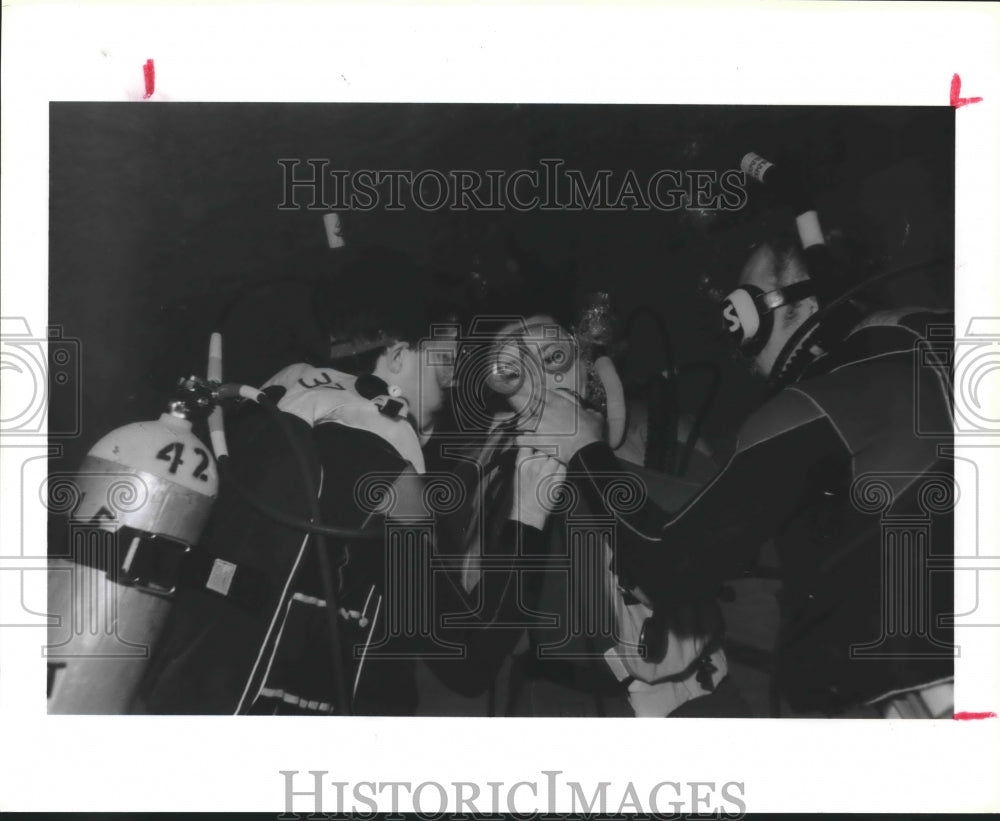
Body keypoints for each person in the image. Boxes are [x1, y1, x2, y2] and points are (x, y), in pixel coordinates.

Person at [513, 236, 955, 718]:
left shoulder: (813, 404)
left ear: (803, 303)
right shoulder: (931, 350)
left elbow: (674, 563)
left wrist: (583, 450)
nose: (737, 338)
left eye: (741, 308)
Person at [136, 251, 565, 715]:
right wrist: (529, 513)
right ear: (399, 355)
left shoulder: (250, 429)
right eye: (445, 370)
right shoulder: (388, 474)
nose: (451, 393)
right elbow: (467, 661)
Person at [438, 301, 745, 718]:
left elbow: (715, 541)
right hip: (568, 703)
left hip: (699, 692)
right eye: (515, 372)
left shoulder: (654, 433)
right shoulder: (487, 471)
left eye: (553, 358)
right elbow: (473, 622)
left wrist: (594, 458)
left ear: (587, 365)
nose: (542, 381)